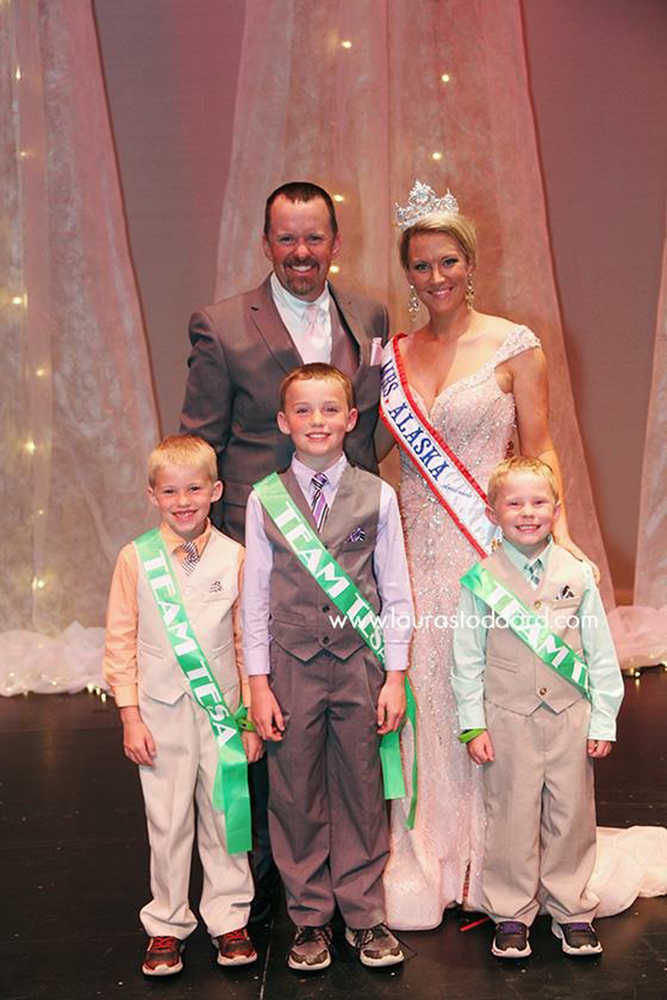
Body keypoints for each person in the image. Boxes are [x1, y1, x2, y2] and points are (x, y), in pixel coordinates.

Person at [379, 181, 586, 929]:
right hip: (412, 545)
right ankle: (432, 851)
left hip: (483, 546)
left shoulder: (513, 343)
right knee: (429, 694)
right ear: (406, 274)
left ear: (469, 262)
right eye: (421, 266)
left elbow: (540, 447)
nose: (435, 278)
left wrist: (551, 539)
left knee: (488, 695)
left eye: (447, 262)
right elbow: (383, 454)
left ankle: (498, 859)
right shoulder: (393, 355)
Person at [180, 181, 388, 916]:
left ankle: (354, 868)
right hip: (256, 537)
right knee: (267, 708)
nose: (301, 253)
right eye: (286, 239)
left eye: (314, 238)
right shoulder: (220, 323)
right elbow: (201, 436)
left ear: (335, 241)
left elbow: (373, 427)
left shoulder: (369, 314)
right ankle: (271, 871)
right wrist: (198, 542)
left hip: (347, 543)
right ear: (266, 243)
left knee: (348, 713)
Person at [242, 363, 413, 971]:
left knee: (363, 790)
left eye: (330, 409)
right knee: (294, 795)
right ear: (285, 422)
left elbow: (395, 592)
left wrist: (395, 675)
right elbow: (256, 600)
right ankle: (310, 919)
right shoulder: (264, 501)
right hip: (289, 669)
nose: (318, 421)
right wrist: (257, 685)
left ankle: (364, 917)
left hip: (360, 666)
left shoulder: (379, 495)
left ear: (351, 418)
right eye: (305, 411)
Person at [451, 456, 624, 957]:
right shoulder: (480, 579)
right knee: (510, 815)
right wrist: (471, 724)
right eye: (514, 503)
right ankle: (510, 912)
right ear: (492, 511)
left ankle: (571, 908)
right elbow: (467, 658)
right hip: (507, 718)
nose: (527, 513)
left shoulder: (578, 574)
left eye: (538, 502)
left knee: (571, 815)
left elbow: (600, 651)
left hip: (570, 716)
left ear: (555, 508)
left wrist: (605, 717)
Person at [103, 435, 263, 976]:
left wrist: (247, 719)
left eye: (194, 488)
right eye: (170, 491)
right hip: (160, 713)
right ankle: (167, 923)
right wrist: (129, 715)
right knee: (168, 822)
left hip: (221, 716)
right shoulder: (135, 559)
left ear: (215, 490)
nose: (183, 500)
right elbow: (120, 640)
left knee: (226, 816)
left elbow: (245, 643)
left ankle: (229, 918)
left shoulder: (235, 557)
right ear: (152, 496)